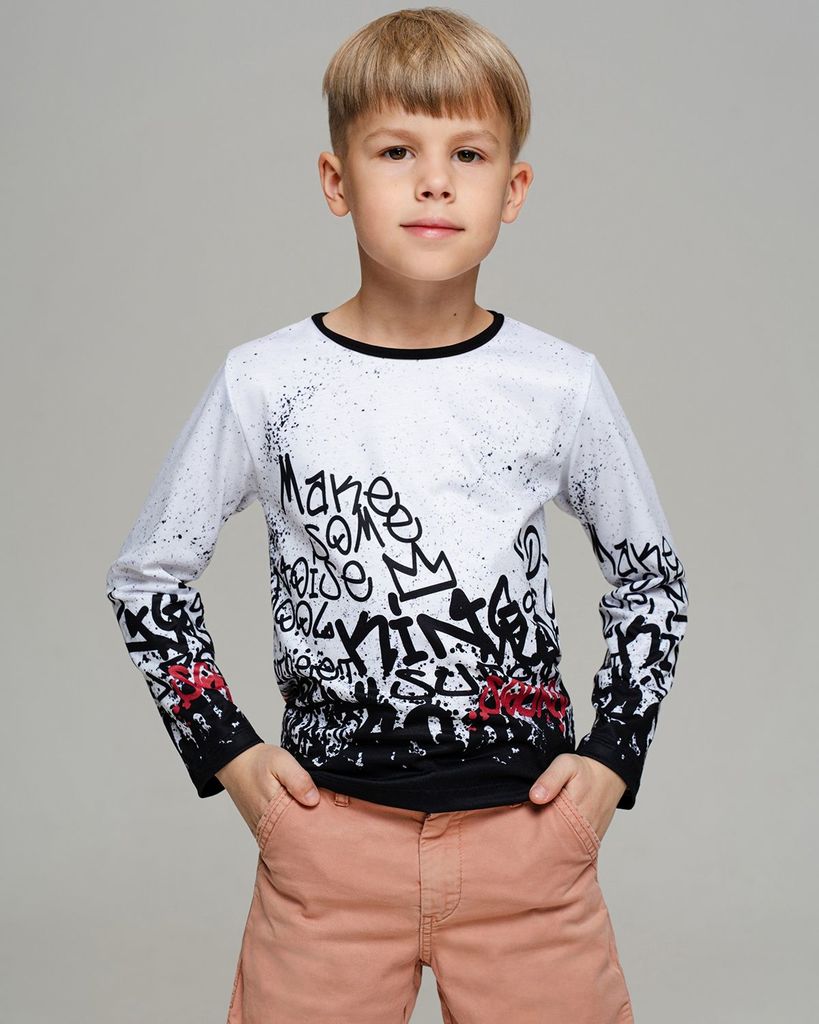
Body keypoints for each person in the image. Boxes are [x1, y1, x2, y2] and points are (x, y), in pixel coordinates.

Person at [105, 7, 689, 1023]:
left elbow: (651, 580)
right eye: (395, 151)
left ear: (513, 190)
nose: (433, 182)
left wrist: (613, 758)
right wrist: (228, 753)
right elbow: (149, 574)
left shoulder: (557, 383)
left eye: (467, 153)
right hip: (327, 850)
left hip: (528, 847)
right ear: (336, 181)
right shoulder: (266, 381)